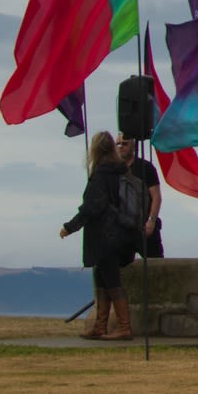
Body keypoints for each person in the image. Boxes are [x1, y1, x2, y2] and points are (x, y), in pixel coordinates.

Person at [58, 131, 136, 341]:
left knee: (111, 281)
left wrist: (69, 227)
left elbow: (91, 208)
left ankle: (123, 326)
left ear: (95, 151)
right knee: (102, 280)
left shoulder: (101, 175)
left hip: (105, 236)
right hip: (119, 233)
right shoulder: (121, 171)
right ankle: (100, 326)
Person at [115, 136, 164, 258]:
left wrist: (151, 221)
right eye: (118, 144)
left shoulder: (146, 167)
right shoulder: (113, 170)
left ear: (133, 146)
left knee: (156, 265)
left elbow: (156, 196)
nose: (121, 147)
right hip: (122, 229)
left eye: (125, 143)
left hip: (145, 227)